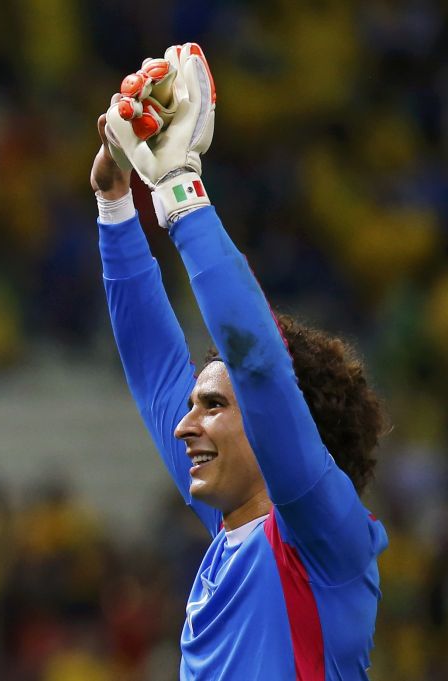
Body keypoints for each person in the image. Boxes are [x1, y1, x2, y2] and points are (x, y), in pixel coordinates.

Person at [90, 43, 388, 680]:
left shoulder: (325, 540)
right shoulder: (232, 532)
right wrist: (116, 201)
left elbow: (260, 367)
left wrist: (179, 191)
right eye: (199, 404)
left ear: (284, 426)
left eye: (214, 405)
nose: (184, 424)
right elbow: (155, 374)